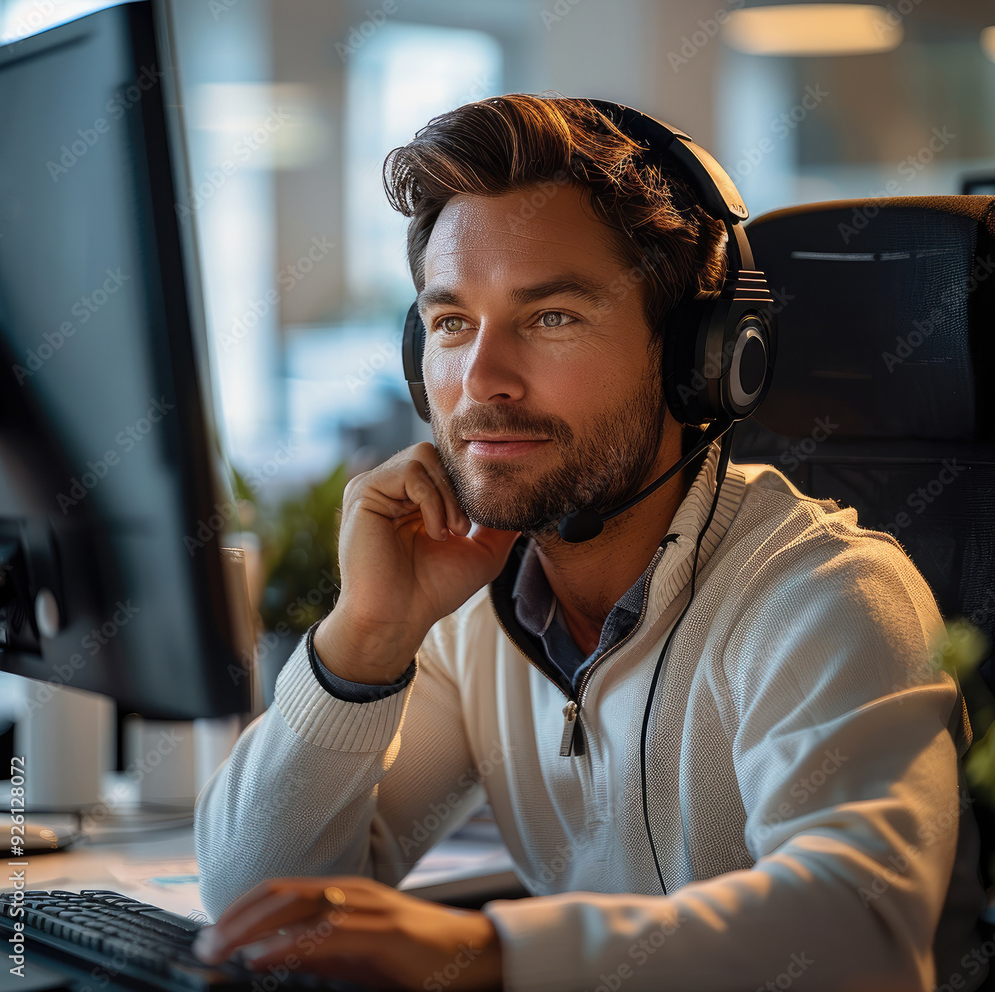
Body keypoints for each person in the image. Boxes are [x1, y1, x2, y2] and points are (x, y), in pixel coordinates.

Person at [191, 94, 987, 992]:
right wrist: (365, 636)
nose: (480, 381)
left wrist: (494, 954)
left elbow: (861, 943)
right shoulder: (468, 607)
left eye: (552, 317)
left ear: (699, 354)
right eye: (452, 322)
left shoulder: (827, 597)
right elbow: (259, 906)